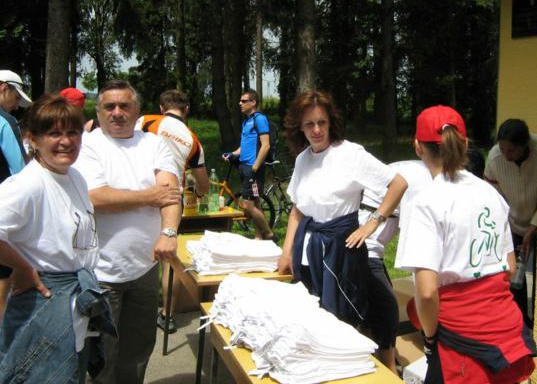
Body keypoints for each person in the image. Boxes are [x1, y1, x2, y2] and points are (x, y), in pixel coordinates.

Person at [395, 105, 537, 384]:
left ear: (417, 146)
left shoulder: (426, 202)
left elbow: (426, 292)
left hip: (461, 338)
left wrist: (430, 338)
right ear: (465, 144)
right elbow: (509, 268)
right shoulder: (490, 193)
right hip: (504, 328)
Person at [0, 95, 115, 384]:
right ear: (33, 139)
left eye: (73, 132)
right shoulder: (27, 184)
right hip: (44, 301)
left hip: (76, 297)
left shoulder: (75, 176)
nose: (66, 141)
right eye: (54, 133)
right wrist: (23, 267)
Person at [73, 80, 182, 384]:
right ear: (99, 111)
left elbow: (171, 194)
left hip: (145, 268)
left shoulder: (154, 144)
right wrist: (150, 195)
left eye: (125, 106)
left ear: (137, 111)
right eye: (109, 106)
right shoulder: (88, 145)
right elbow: (97, 198)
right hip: (101, 272)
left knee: (138, 349)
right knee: (102, 355)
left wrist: (169, 232)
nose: (117, 112)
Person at [278, 90, 407, 336]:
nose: (317, 130)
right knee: (311, 322)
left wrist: (373, 222)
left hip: (342, 253)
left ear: (331, 122)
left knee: (340, 326)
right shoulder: (303, 159)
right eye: (309, 124)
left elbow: (398, 184)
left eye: (322, 122)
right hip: (308, 252)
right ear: (300, 127)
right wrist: (287, 252)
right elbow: (297, 209)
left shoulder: (350, 154)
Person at [136, 89, 210, 334]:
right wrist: (197, 193)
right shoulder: (193, 140)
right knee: (169, 258)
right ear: (186, 109)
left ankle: (133, 312)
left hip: (139, 193)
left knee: (138, 250)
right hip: (171, 201)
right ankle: (167, 315)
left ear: (161, 107)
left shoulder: (145, 121)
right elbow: (203, 184)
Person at [359, 160, 432, 373]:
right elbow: (418, 245)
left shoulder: (418, 169)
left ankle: (378, 362)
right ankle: (389, 369)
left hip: (366, 240)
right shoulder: (423, 180)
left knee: (374, 308)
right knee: (387, 309)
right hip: (363, 241)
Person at [484, 118, 537, 330]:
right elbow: (493, 196)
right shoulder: (494, 158)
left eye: (512, 150)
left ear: (525, 145)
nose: (506, 155)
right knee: (514, 275)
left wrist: (534, 225)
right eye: (503, 149)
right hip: (512, 222)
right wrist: (504, 225)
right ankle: (519, 323)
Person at [222, 89, 276, 241]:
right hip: (244, 167)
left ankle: (270, 234)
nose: (240, 103)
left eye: (244, 101)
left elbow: (266, 145)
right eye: (240, 101)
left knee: (248, 206)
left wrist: (255, 167)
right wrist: (232, 154)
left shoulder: (260, 119)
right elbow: (243, 147)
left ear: (253, 102)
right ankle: (258, 237)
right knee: (256, 203)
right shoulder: (246, 121)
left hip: (253, 169)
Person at [0, 70, 31, 320]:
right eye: (17, 97)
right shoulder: (5, 121)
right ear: (4, 89)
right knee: (3, 275)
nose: (17, 104)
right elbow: (21, 170)